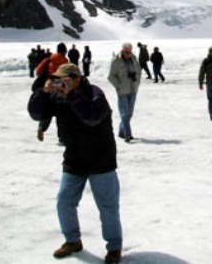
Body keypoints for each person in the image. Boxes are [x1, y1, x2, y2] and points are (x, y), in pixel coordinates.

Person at [27, 63, 123, 263]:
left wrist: (72, 94)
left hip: (101, 158)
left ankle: (114, 247)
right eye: (57, 79)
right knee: (64, 201)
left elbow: (92, 117)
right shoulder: (58, 95)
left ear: (76, 78)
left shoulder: (95, 94)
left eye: (64, 79)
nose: (60, 83)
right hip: (74, 158)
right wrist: (43, 93)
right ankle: (73, 241)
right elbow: (37, 113)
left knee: (107, 206)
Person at [108, 43, 141, 142]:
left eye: (130, 52)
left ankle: (122, 132)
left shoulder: (134, 59)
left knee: (129, 113)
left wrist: (137, 82)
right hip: (122, 91)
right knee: (124, 113)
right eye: (127, 52)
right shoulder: (116, 61)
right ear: (122, 51)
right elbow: (111, 76)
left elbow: (138, 71)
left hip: (133, 89)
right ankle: (128, 134)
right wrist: (118, 86)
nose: (128, 54)